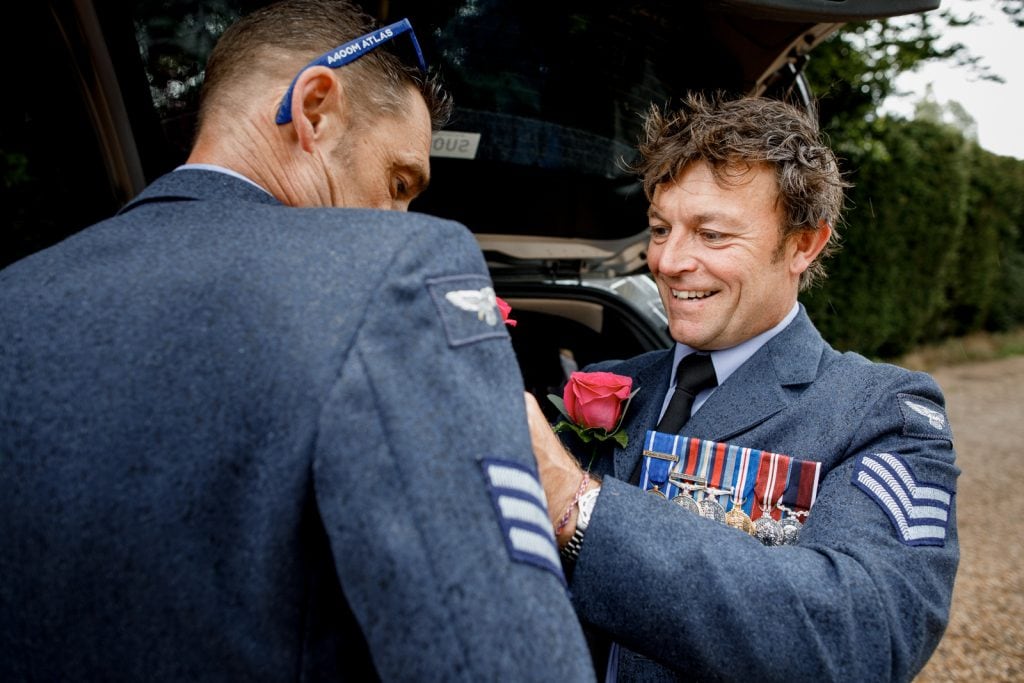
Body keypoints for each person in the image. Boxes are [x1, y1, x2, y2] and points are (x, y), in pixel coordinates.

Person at [0, 1, 594, 680]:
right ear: (314, 109)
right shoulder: (398, 270)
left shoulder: (16, 295)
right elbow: (502, 658)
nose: (399, 219)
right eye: (398, 182)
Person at [526, 94, 958, 682]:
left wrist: (577, 505)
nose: (668, 261)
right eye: (660, 229)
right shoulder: (608, 383)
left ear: (804, 244)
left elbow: (863, 638)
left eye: (712, 235)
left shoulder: (881, 414)